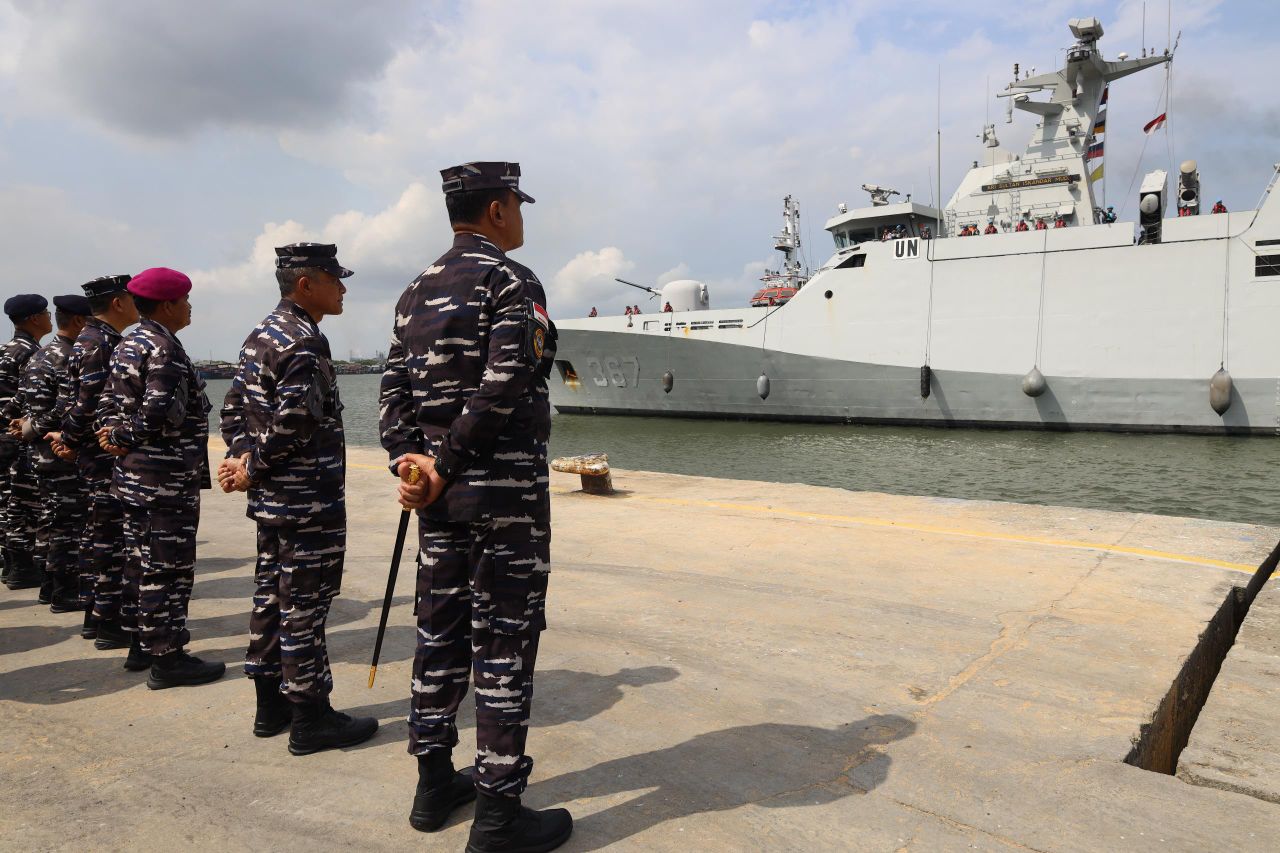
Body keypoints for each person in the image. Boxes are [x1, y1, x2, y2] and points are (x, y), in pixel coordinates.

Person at [380, 161, 572, 851]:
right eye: (517, 205)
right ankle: (497, 814)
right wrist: (447, 462)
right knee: (502, 645)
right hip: (503, 502)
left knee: (438, 635)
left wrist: (414, 464)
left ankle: (434, 783)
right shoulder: (511, 281)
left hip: (438, 504)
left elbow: (392, 398)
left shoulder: (412, 292)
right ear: (497, 210)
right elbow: (507, 383)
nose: (521, 217)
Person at [218, 242, 378, 754]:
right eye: (335, 279)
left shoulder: (260, 335)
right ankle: (311, 717)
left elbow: (233, 410)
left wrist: (243, 458)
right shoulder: (304, 342)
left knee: (271, 598)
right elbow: (294, 423)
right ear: (306, 284)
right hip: (307, 503)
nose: (343, 289)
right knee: (305, 608)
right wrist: (252, 467)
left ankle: (271, 706)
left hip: (274, 503)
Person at [97, 268, 223, 689]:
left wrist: (113, 435)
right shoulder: (163, 348)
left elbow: (108, 402)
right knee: (168, 569)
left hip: (135, 476)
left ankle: (141, 644)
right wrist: (122, 436)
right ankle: (167, 658)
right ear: (168, 305)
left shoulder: (129, 342)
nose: (189, 307)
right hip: (164, 478)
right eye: (185, 300)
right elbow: (157, 412)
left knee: (140, 562)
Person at [53, 275, 139, 646]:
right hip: (104, 455)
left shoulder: (89, 339)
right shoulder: (103, 343)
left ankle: (96, 615)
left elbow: (70, 401)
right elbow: (89, 403)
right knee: (111, 540)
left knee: (99, 536)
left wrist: (70, 439)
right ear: (118, 303)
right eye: (132, 298)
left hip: (94, 452)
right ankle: (110, 622)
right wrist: (72, 440)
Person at [8, 295, 91, 612]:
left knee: (52, 519)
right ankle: (64, 592)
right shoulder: (68, 357)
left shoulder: (40, 354)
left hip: (39, 455)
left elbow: (21, 401)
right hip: (59, 451)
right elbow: (65, 409)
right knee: (68, 525)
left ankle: (48, 587)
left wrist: (25, 425)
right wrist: (31, 428)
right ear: (80, 321)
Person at [0, 295, 50, 591]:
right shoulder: (32, 353)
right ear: (34, 319)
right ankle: (21, 567)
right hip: (20, 437)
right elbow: (32, 399)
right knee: (26, 504)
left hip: (5, 438)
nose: (49, 318)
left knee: (8, 503)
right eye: (46, 313)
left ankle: (11, 564)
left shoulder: (5, 349)